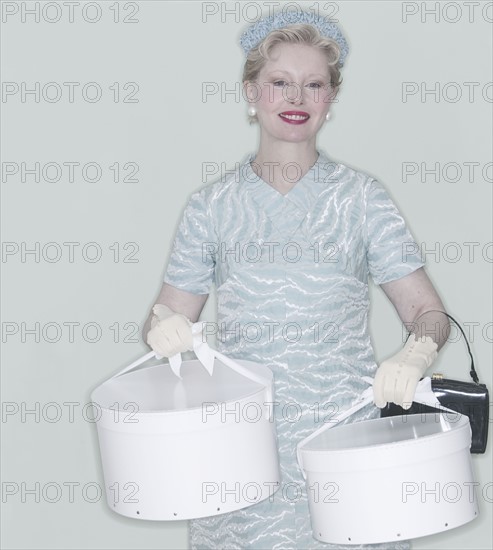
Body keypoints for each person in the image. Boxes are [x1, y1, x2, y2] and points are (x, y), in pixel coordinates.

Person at [143, 9, 450, 550]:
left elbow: (428, 313)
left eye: (314, 85)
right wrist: (163, 326)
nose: (297, 98)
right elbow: (170, 314)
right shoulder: (210, 208)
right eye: (279, 83)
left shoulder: (362, 200)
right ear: (251, 92)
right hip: (238, 454)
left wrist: (415, 354)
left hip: (347, 452)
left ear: (330, 99)